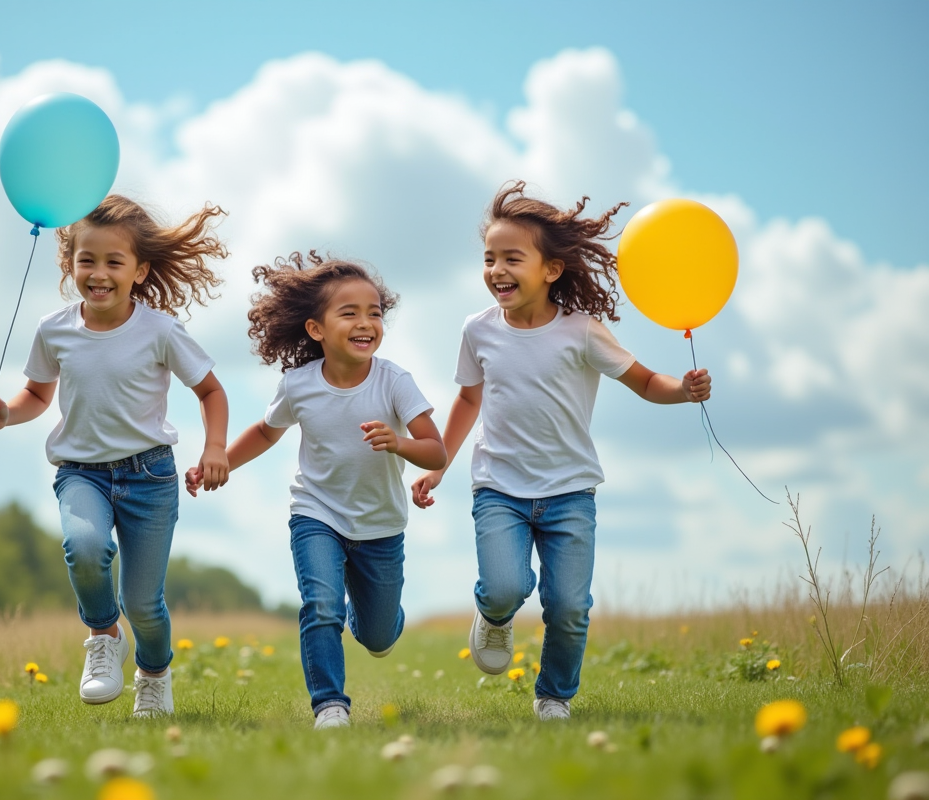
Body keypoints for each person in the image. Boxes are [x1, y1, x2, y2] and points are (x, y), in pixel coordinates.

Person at [411, 182, 712, 722]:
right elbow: (468, 399)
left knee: (569, 607)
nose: (497, 269)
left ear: (551, 270)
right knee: (505, 587)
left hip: (570, 493)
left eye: (512, 258)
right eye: (489, 259)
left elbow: (644, 382)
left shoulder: (582, 332)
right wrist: (439, 464)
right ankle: (494, 615)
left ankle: (553, 697)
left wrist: (682, 390)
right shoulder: (477, 331)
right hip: (498, 487)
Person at [0, 195, 230, 717]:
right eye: (86, 259)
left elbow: (211, 392)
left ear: (140, 272)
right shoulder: (54, 329)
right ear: (70, 264)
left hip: (150, 475)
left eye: (115, 262)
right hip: (81, 474)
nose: (99, 273)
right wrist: (6, 415)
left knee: (145, 605)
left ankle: (154, 674)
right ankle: (102, 634)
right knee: (85, 548)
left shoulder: (159, 330)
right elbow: (39, 397)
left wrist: (215, 448)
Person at [186, 252, 446, 729]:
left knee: (377, 634)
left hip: (380, 525)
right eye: (349, 313)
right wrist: (218, 458)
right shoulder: (299, 384)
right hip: (316, 514)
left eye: (374, 313)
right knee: (321, 605)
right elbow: (266, 432)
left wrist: (400, 444)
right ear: (316, 330)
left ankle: (379, 621)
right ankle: (330, 706)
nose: (365, 322)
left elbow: (437, 452)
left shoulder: (394, 382)